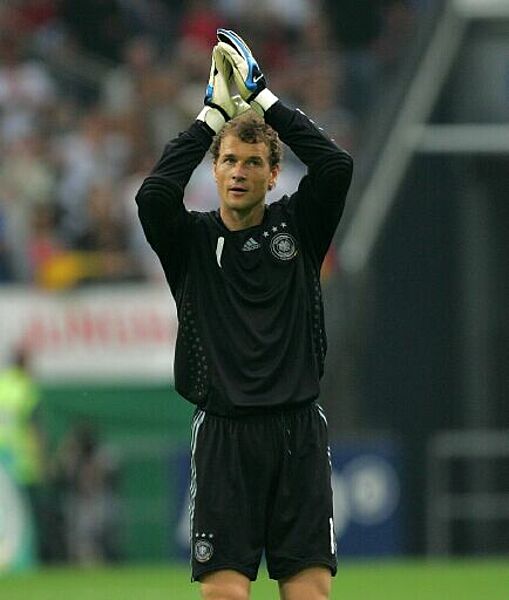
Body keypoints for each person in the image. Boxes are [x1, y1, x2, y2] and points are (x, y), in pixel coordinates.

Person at [136, 29, 353, 600]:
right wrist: (210, 119)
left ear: (273, 175)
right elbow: (153, 195)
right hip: (225, 434)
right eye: (229, 160)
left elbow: (336, 166)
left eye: (253, 162)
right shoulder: (189, 242)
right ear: (214, 170)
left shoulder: (299, 228)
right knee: (225, 595)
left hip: (298, 430)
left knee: (308, 593)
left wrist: (264, 101)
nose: (239, 171)